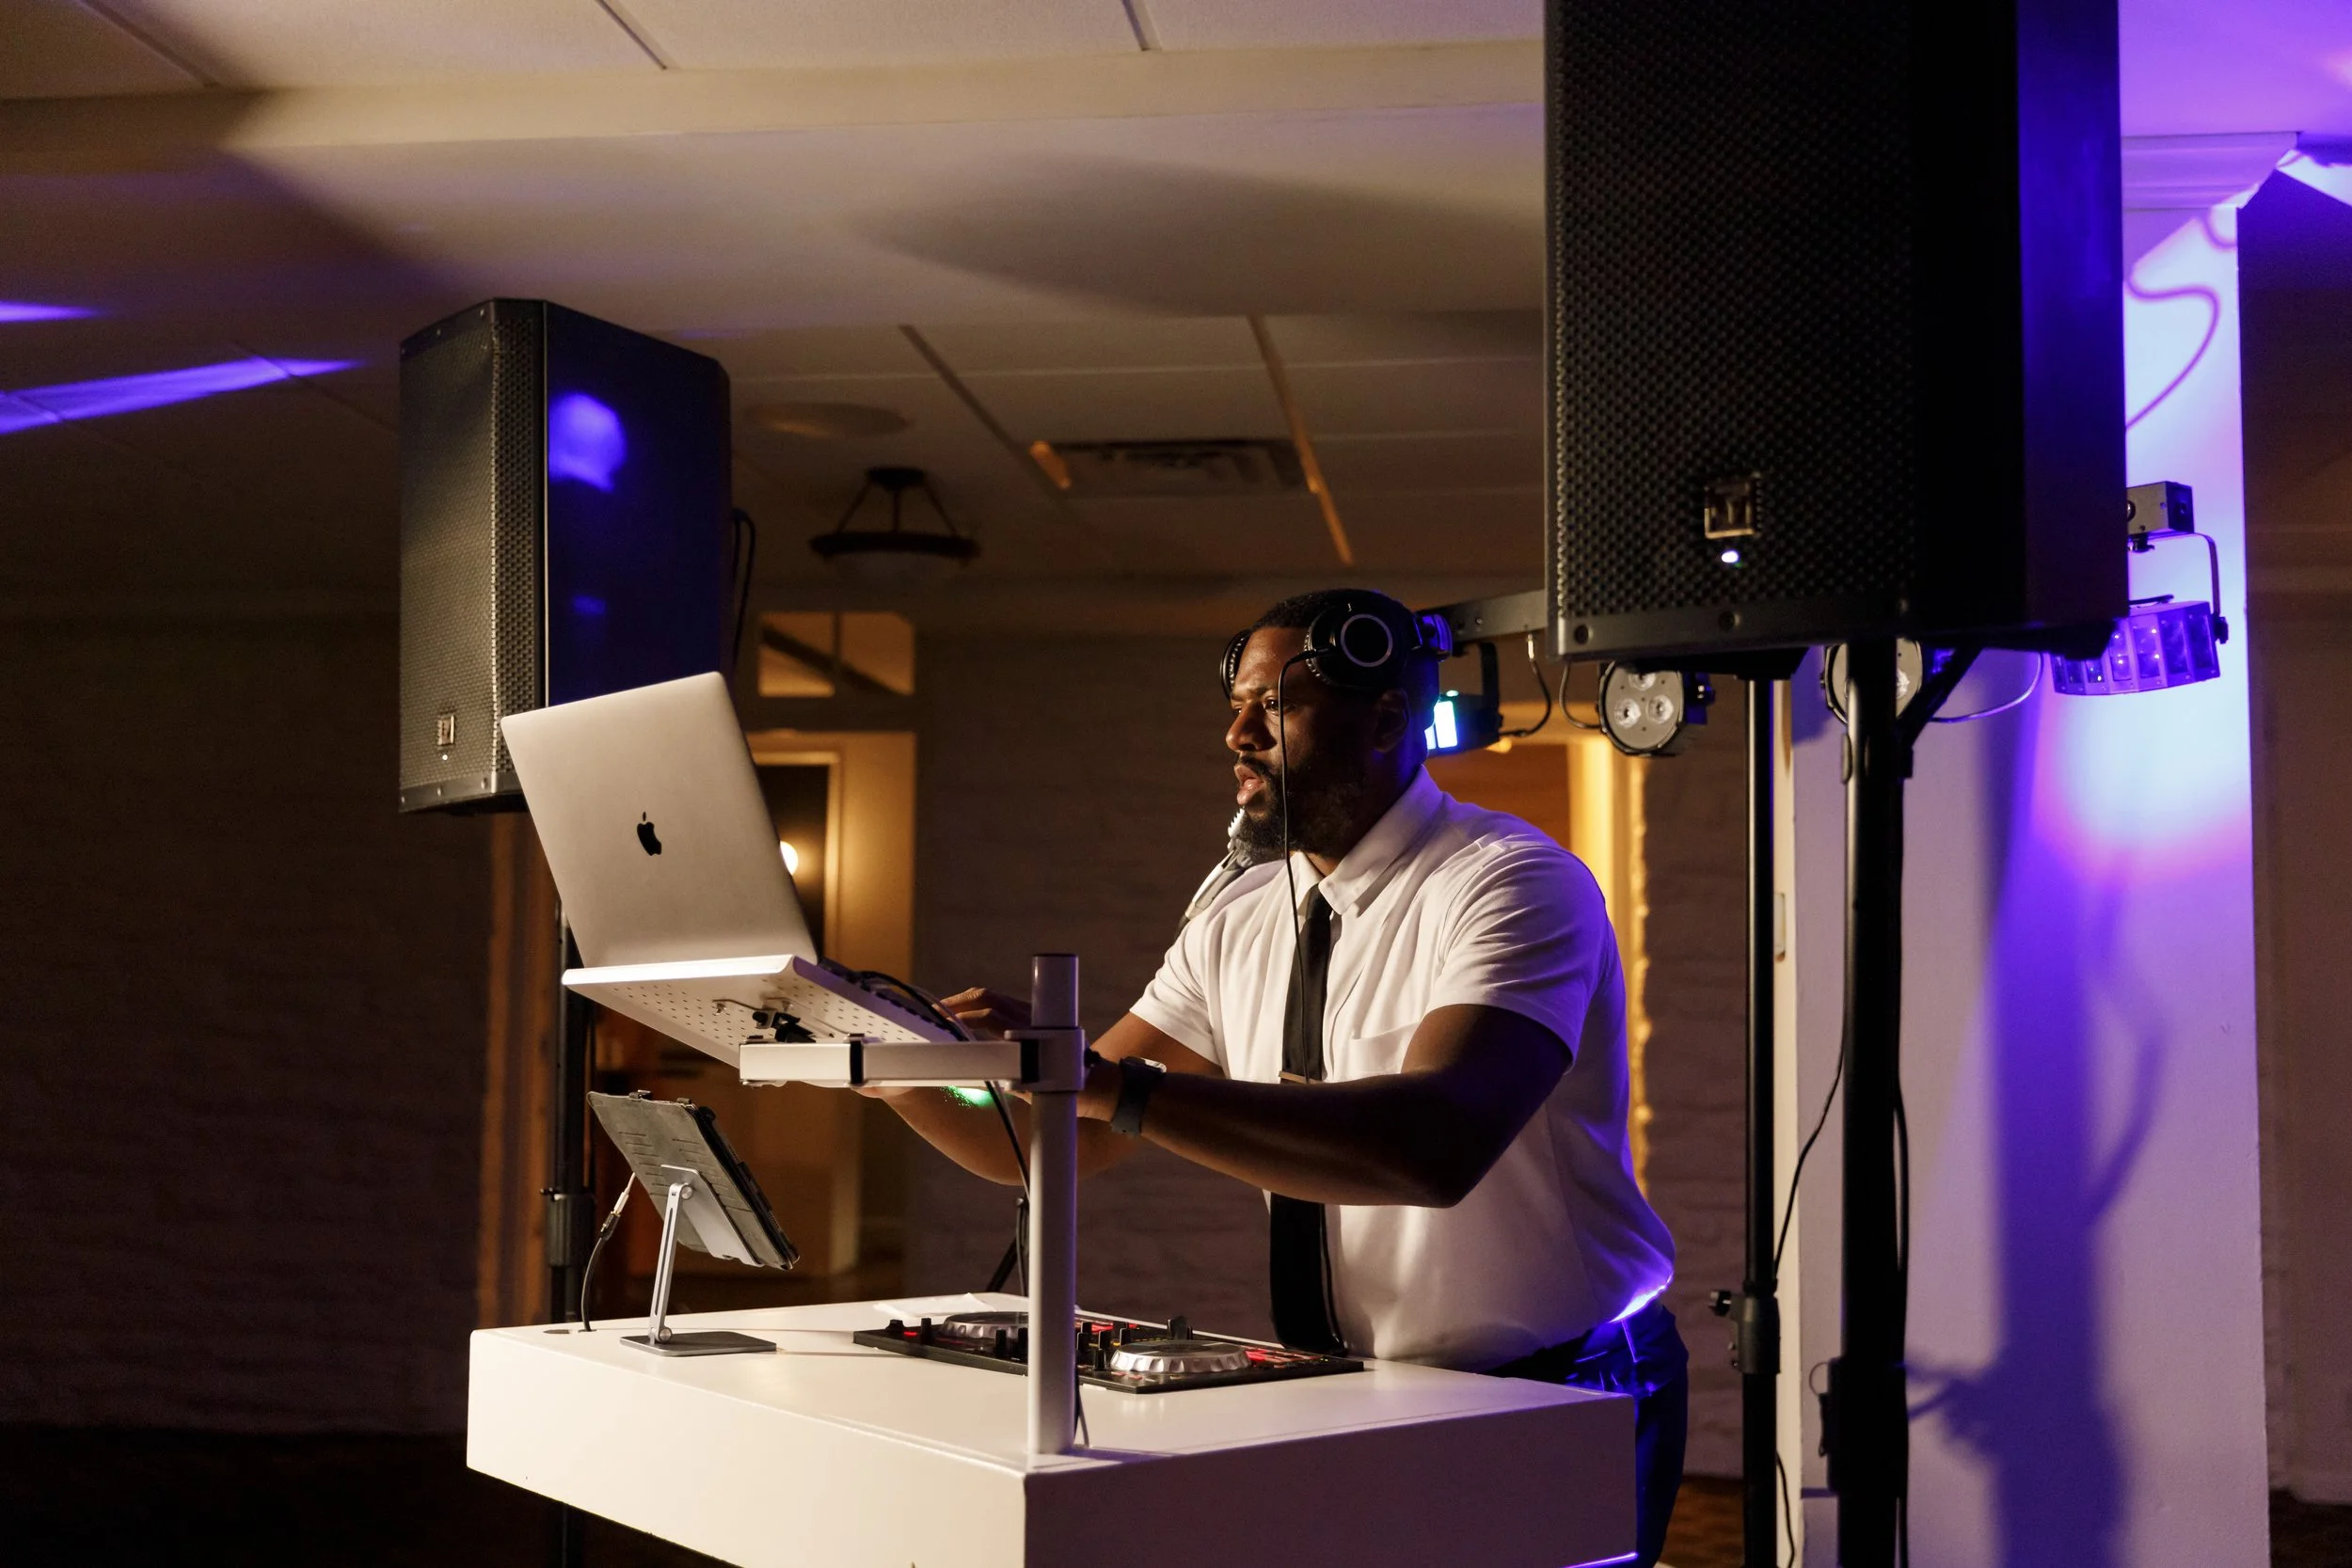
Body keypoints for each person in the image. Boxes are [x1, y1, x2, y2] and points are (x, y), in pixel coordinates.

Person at [869, 587, 1686, 1565]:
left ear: (1385, 715)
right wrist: (878, 1059)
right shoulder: (1239, 913)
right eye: (1236, 705)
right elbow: (1061, 1138)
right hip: (1364, 1384)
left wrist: (1108, 1084)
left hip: (1558, 1381)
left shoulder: (1509, 880)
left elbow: (1434, 1143)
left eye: (1272, 705)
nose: (1235, 733)